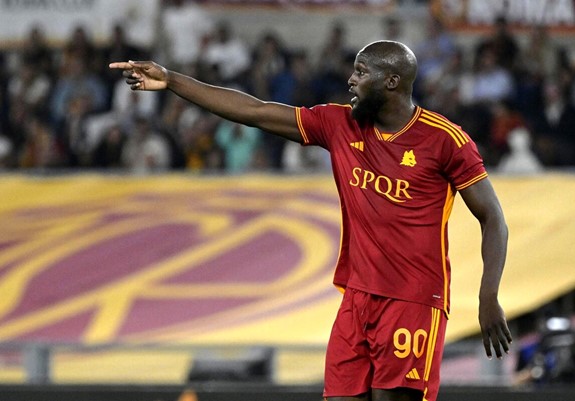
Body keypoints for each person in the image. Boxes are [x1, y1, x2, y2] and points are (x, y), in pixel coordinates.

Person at [110, 40, 512, 401]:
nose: (351, 81)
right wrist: (172, 80)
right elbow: (255, 111)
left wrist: (488, 295)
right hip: (356, 299)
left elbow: (492, 216)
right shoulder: (339, 124)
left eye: (361, 72)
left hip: (412, 301)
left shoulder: (444, 139)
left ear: (391, 82)